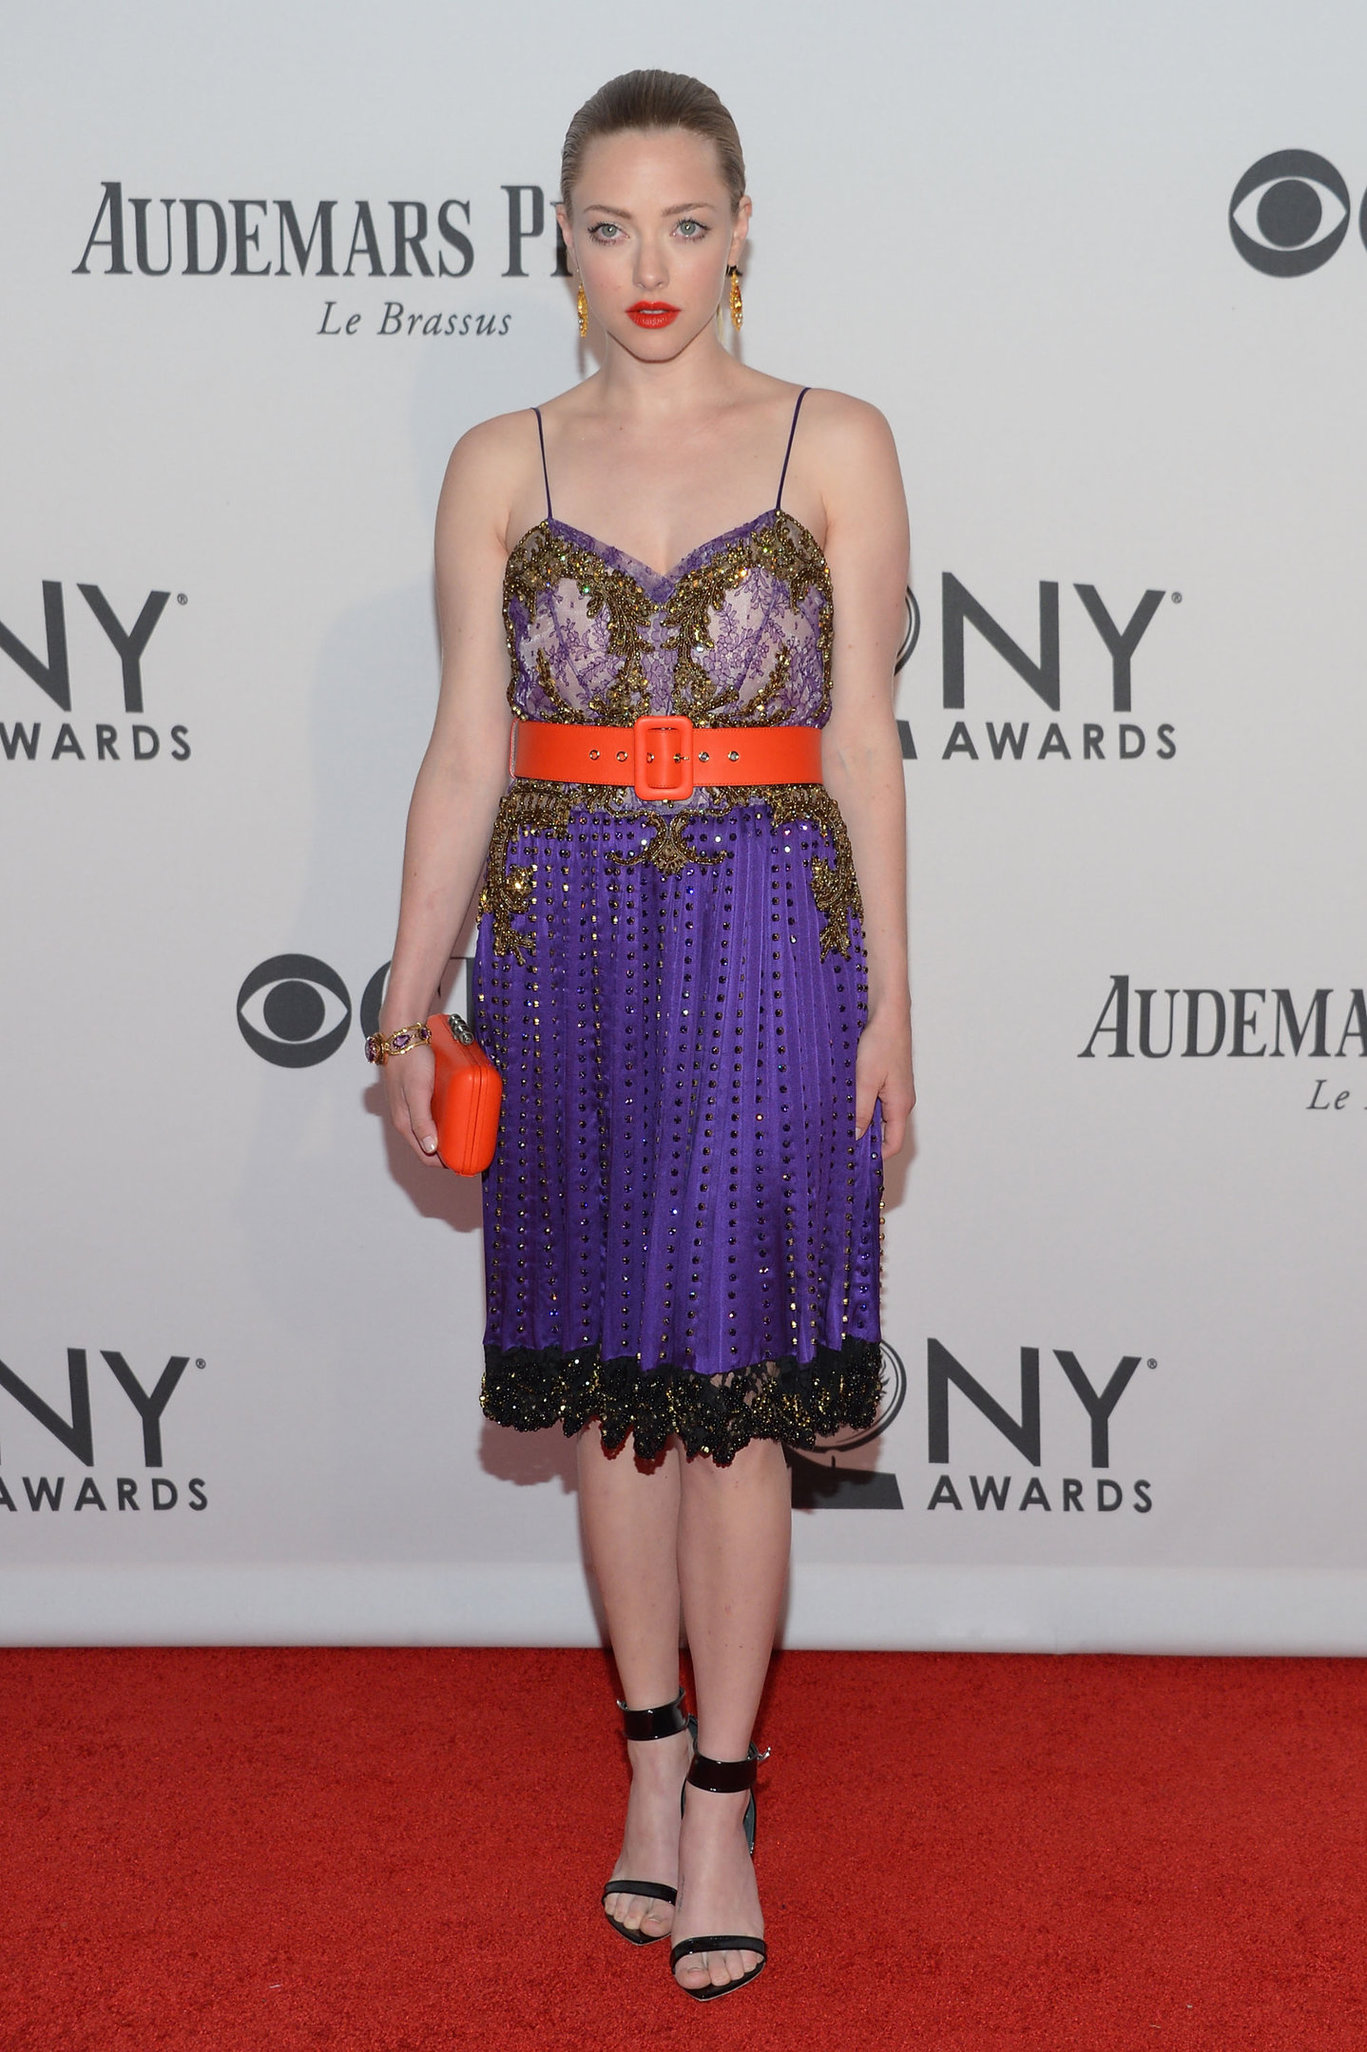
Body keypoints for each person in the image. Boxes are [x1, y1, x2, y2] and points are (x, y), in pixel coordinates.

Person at [372, 69, 914, 2002]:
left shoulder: (835, 439)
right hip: (570, 935)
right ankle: (647, 1767)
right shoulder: (499, 460)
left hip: (777, 932)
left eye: (687, 223)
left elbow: (861, 741)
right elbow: (461, 754)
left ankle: (730, 1806)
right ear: (565, 245)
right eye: (611, 227)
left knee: (746, 1401)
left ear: (745, 226)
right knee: (613, 1394)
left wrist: (895, 1005)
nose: (650, 265)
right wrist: (405, 988)